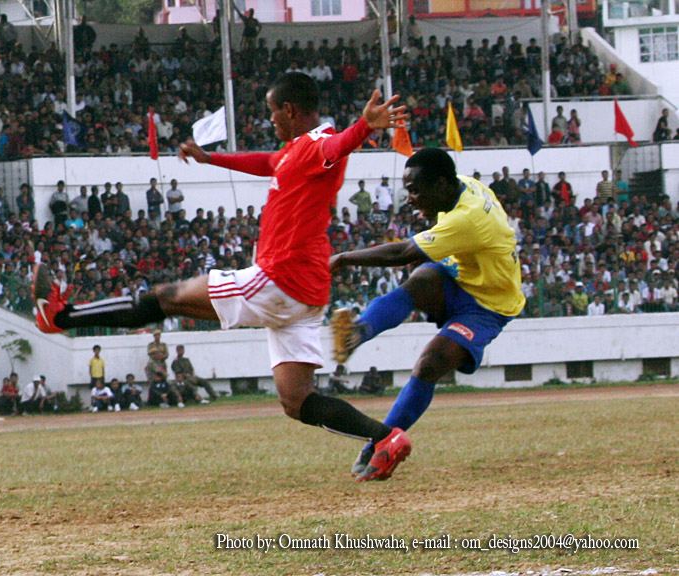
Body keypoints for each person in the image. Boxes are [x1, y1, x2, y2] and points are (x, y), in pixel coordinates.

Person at [32, 72, 411, 482]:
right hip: (305, 295)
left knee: (167, 296)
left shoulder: (318, 144)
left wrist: (363, 127)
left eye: (272, 113)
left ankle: (61, 316)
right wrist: (211, 158)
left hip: (278, 278)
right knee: (297, 401)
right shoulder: (295, 152)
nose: (270, 121)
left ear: (289, 110)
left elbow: (337, 147)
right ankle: (385, 439)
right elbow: (266, 162)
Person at [329, 147, 525, 480]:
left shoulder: (468, 217)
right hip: (461, 278)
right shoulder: (459, 186)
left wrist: (345, 257)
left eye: (417, 190)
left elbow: (403, 252)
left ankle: (379, 443)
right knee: (422, 278)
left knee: (430, 363)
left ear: (443, 185)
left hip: (489, 304)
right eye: (409, 190)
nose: (411, 198)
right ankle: (358, 331)